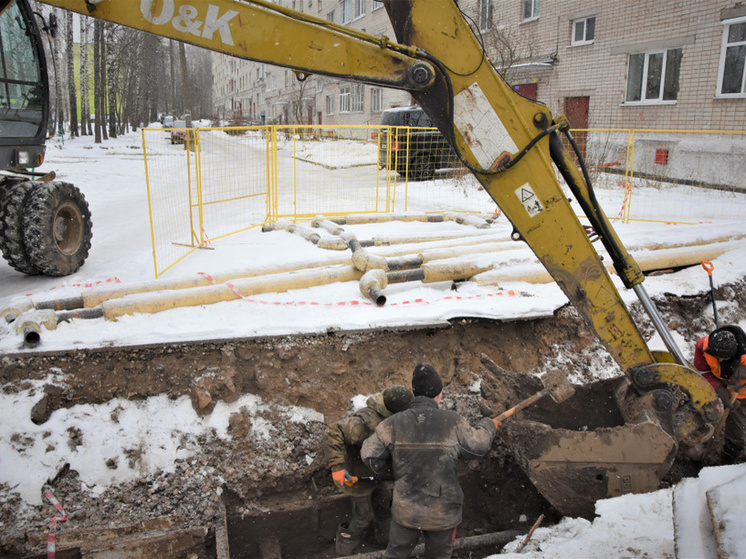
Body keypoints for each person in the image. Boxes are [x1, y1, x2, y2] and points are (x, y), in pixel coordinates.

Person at [361, 364, 499, 559]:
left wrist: (395, 471)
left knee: (394, 555)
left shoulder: (393, 423)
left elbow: (369, 455)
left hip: (406, 512)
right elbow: (478, 447)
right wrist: (488, 425)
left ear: (414, 393)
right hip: (442, 514)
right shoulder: (453, 422)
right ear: (439, 394)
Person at [325, 385, 414, 555]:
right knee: (363, 517)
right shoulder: (365, 424)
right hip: (358, 476)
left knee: (386, 509)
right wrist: (337, 467)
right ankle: (344, 550)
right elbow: (333, 432)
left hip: (378, 474)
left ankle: (382, 543)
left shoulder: (396, 421)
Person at [693, 325, 746, 463]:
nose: (719, 360)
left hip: (742, 389)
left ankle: (727, 464)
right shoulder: (703, 346)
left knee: (737, 431)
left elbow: (738, 389)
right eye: (716, 357)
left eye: (723, 358)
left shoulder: (744, 359)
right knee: (732, 426)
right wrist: (719, 389)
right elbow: (702, 373)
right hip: (722, 382)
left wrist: (734, 393)